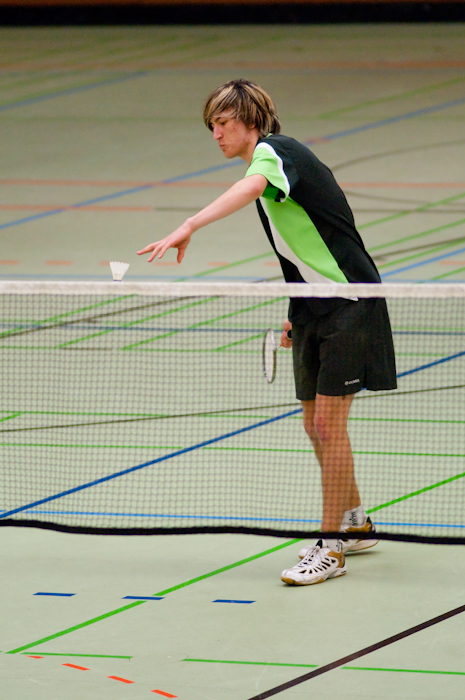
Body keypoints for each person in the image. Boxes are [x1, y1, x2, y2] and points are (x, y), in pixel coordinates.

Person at [137, 79, 397, 586]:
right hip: (315, 306)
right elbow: (298, 246)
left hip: (351, 302)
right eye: (211, 125)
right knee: (313, 426)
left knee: (329, 426)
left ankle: (331, 547)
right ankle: (355, 523)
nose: (216, 134)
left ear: (251, 121)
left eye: (223, 123)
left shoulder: (278, 153)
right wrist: (295, 308)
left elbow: (252, 187)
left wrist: (190, 224)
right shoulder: (272, 172)